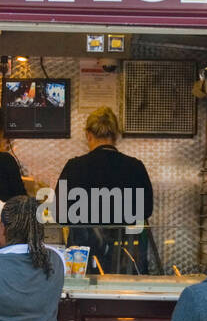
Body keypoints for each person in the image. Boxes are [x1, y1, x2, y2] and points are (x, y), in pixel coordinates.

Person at [55, 107, 154, 274]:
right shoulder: (135, 167)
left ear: (88, 135)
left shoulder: (74, 167)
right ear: (115, 136)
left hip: (82, 260)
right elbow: (146, 210)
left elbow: (59, 213)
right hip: (125, 260)